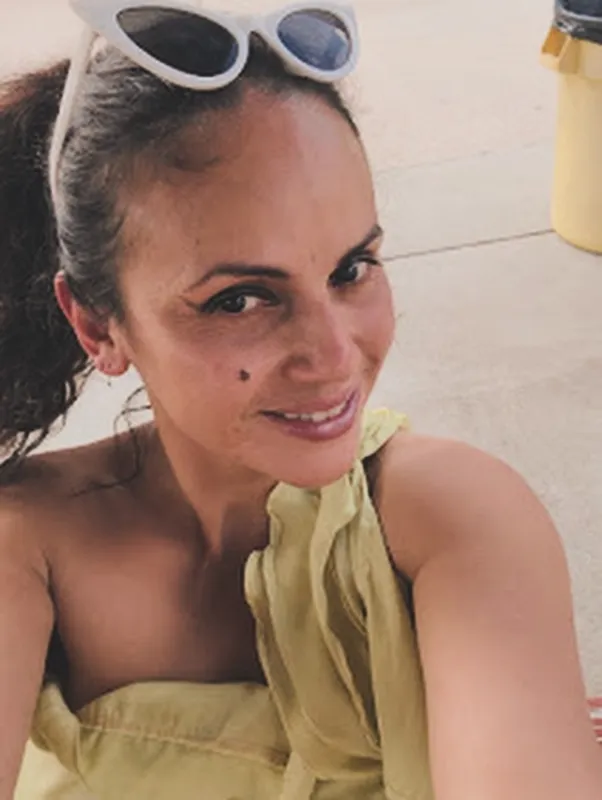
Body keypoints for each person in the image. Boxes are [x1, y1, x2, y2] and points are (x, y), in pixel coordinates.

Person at [0, 3, 600, 799]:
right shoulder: (27, 545)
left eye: (352, 269)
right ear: (97, 325)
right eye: (239, 300)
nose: (334, 355)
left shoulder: (456, 522)